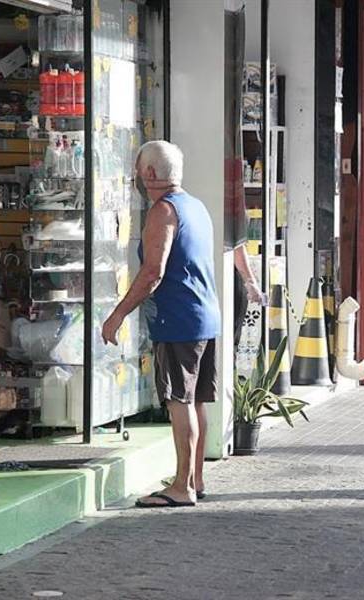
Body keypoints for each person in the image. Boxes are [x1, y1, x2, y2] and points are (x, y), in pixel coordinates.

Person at [102, 141, 220, 508]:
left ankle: (182, 486)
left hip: (178, 319)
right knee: (195, 399)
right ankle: (194, 478)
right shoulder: (195, 207)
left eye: (139, 171)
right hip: (203, 315)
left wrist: (118, 313)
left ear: (150, 174)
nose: (137, 178)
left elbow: (153, 271)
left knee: (178, 400)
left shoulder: (163, 211)